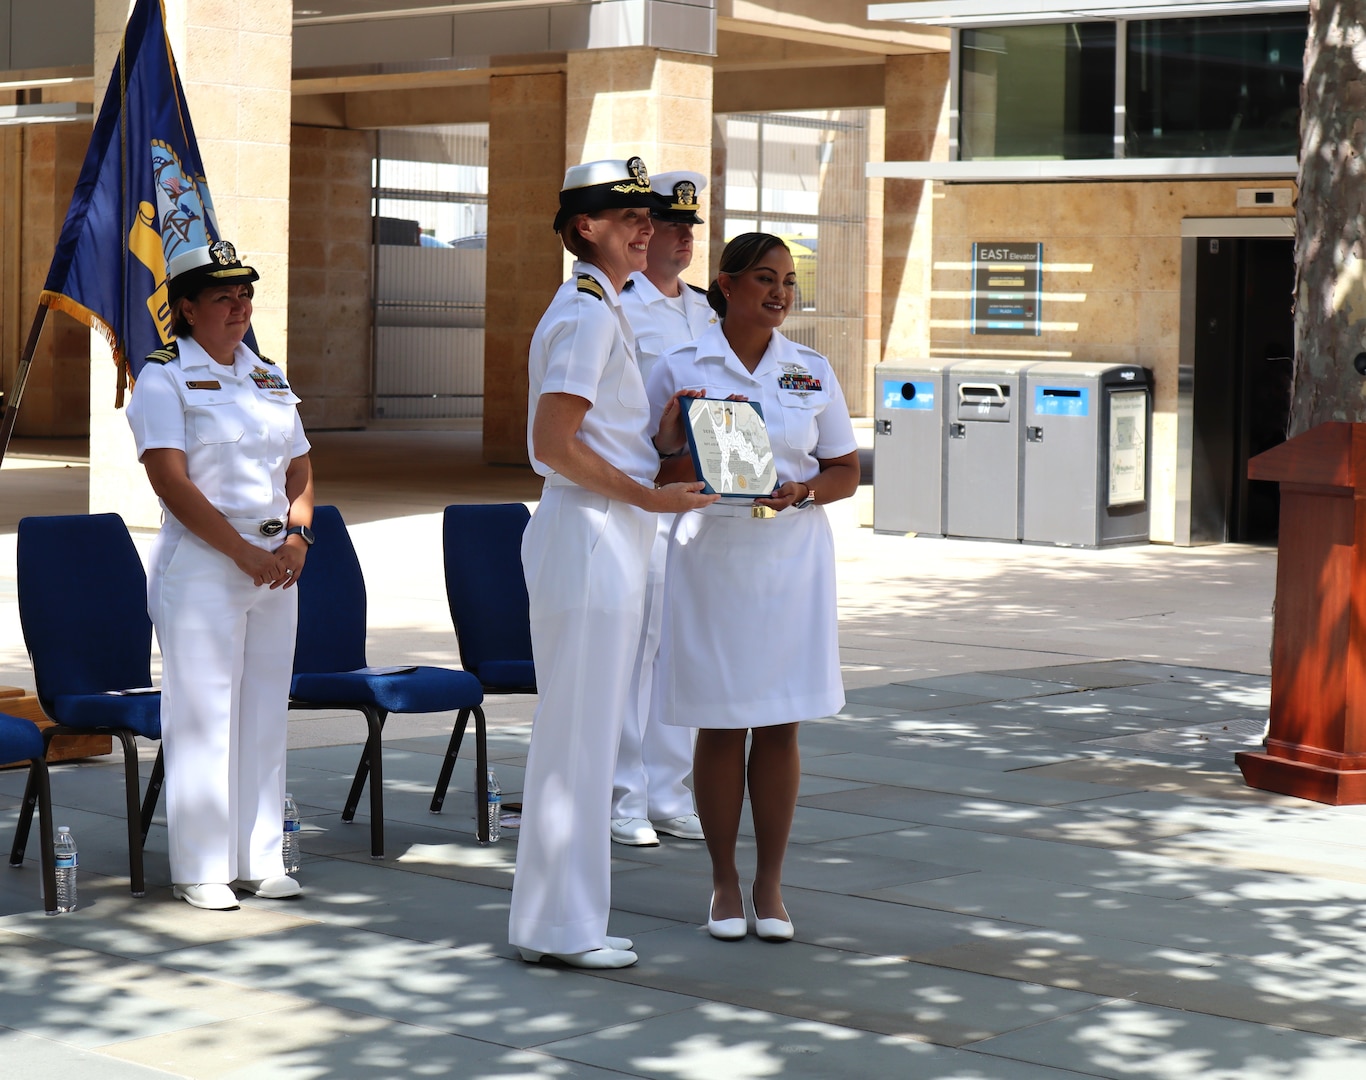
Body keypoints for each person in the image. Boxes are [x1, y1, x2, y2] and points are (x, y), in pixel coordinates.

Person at [508, 157, 718, 970]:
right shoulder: (590, 312)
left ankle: (562, 922)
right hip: (594, 529)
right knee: (579, 741)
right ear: (583, 226)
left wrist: (664, 440)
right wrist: (649, 494)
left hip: (608, 528)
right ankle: (563, 927)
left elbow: (602, 434)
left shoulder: (608, 307)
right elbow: (552, 444)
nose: (646, 227)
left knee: (586, 741)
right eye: (626, 215)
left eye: (648, 216)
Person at [645, 232, 861, 942]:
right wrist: (675, 442)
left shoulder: (811, 369)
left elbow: (843, 469)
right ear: (726, 284)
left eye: (789, 282)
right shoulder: (680, 366)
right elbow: (651, 475)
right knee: (721, 717)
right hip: (713, 557)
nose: (779, 293)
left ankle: (770, 885)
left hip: (791, 558)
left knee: (780, 721)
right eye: (765, 278)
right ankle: (722, 883)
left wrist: (803, 490)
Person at [126, 240, 314, 911]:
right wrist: (241, 552)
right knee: (203, 715)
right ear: (185, 308)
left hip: (274, 564)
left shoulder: (266, 375)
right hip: (207, 563)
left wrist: (296, 537)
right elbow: (170, 481)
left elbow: (298, 468)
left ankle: (259, 857)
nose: (240, 307)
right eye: (223, 298)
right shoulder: (163, 378)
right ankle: (202, 867)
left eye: (245, 296)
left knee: (264, 711)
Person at [611, 169, 719, 848]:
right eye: (669, 227)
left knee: (679, 647)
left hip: (697, 504)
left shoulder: (706, 310)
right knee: (632, 650)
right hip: (639, 497)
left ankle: (668, 789)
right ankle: (623, 794)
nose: (681, 239)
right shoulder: (615, 304)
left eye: (688, 228)